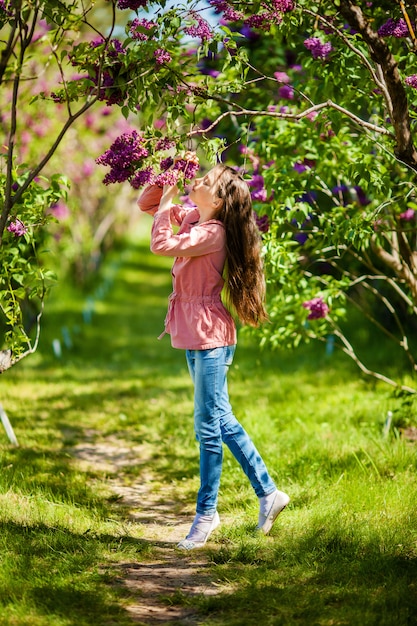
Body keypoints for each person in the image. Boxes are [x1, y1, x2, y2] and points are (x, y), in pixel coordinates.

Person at [138, 158, 289, 550]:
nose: (197, 180)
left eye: (204, 180)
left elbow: (160, 244)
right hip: (196, 333)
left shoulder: (214, 232)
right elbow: (146, 205)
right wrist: (164, 176)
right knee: (220, 419)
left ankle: (206, 514)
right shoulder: (193, 218)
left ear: (219, 202)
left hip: (210, 338)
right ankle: (269, 493)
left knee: (206, 426)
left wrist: (171, 195)